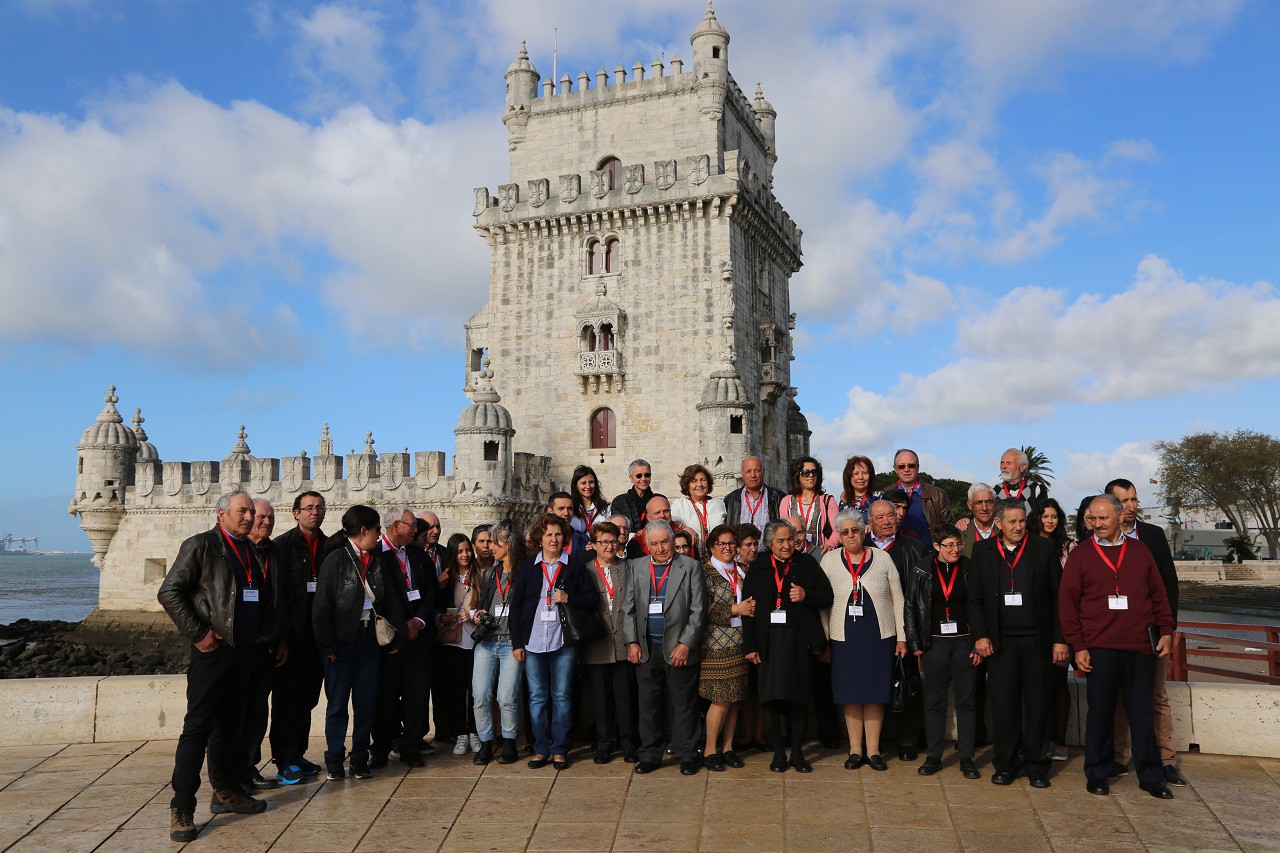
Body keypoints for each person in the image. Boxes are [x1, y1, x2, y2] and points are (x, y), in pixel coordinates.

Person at [159, 490, 275, 842]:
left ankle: (224, 792)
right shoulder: (201, 545)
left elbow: (255, 596)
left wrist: (261, 634)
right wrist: (198, 634)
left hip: (243, 653)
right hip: (212, 652)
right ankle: (182, 807)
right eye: (242, 511)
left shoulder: (249, 550)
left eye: (251, 512)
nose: (249, 518)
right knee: (197, 730)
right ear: (221, 513)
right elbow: (170, 592)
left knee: (230, 726)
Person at [1060, 494, 1175, 799]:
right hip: (1099, 648)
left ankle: (1151, 776)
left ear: (1120, 515)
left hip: (1140, 646)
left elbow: (1159, 595)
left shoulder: (1140, 550)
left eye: (1103, 518)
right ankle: (1097, 773)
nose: (1096, 524)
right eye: (1091, 519)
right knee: (1100, 713)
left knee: (1141, 713)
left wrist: (1166, 631)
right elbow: (1067, 605)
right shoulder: (1081, 554)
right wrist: (1078, 646)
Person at [968, 498, 1066, 789]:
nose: (1018, 527)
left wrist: (1060, 639)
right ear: (998, 523)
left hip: (1038, 641)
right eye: (1012, 521)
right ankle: (1007, 764)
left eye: (1022, 520)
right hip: (1000, 644)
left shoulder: (1044, 548)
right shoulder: (983, 551)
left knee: (1038, 704)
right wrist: (980, 636)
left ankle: (1037, 766)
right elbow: (975, 599)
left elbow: (1059, 598)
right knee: (1004, 705)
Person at [314, 504, 403, 782]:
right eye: (377, 530)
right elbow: (322, 607)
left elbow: (390, 601)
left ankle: (360, 757)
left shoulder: (376, 560)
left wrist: (395, 636)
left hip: (368, 640)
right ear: (363, 530)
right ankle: (334, 758)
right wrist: (327, 646)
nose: (379, 535)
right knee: (338, 703)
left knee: (366, 703)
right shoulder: (336, 560)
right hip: (342, 641)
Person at [1106, 478, 1185, 787]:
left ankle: (1165, 761)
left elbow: (1169, 584)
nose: (1130, 506)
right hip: (1114, 634)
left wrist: (1169, 629)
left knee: (1156, 697)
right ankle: (1118, 758)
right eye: (1123, 500)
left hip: (1152, 633)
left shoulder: (1152, 535)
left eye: (1134, 500)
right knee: (1119, 700)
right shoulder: (1097, 537)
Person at [742, 520, 834, 773]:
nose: (786, 545)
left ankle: (798, 753)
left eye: (790, 539)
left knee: (798, 699)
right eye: (780, 541)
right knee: (771, 699)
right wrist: (750, 645)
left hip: (798, 641)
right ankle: (779, 754)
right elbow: (748, 609)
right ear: (769, 544)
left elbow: (827, 596)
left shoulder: (807, 563)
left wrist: (807, 596)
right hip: (768, 642)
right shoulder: (759, 567)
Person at [509, 514, 599, 770]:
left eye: (558, 534)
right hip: (534, 641)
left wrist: (569, 597)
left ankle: (559, 749)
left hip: (563, 642)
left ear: (565, 538)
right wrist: (518, 643)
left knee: (562, 697)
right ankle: (540, 749)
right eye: (548, 534)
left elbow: (592, 599)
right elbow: (515, 607)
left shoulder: (574, 565)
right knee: (537, 698)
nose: (553, 539)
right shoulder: (529, 567)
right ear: (540, 538)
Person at [821, 509, 905, 772]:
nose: (850, 536)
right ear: (839, 535)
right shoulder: (829, 561)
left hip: (878, 636)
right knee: (851, 694)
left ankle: (874, 750)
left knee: (874, 694)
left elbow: (898, 600)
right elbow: (823, 605)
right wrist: (825, 640)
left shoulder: (882, 558)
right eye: (844, 532)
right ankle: (855, 750)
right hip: (844, 637)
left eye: (854, 530)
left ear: (864, 530)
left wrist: (901, 638)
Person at [621, 519, 706, 775]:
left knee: (684, 704)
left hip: (678, 649)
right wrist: (632, 641)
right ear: (646, 546)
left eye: (664, 542)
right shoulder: (635, 567)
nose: (660, 548)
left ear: (672, 540)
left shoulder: (690, 566)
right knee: (649, 705)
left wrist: (685, 644)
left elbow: (698, 611)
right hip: (647, 648)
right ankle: (649, 754)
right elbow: (628, 608)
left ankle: (687, 754)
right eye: (654, 543)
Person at [904, 524, 981, 779]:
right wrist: (915, 645)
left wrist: (979, 641)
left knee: (967, 701)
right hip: (933, 642)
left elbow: (980, 605)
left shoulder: (969, 567)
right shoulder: (922, 568)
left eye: (958, 544)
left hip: (964, 641)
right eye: (949, 545)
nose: (955, 549)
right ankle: (934, 756)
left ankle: (967, 757)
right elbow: (911, 607)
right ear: (936, 546)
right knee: (934, 702)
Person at [270, 491, 329, 784]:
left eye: (319, 508)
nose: (314, 512)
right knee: (286, 700)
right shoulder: (281, 547)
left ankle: (298, 753)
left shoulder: (330, 546)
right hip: (291, 638)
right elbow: (277, 596)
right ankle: (284, 759)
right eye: (308, 508)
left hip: (317, 637)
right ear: (296, 513)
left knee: (307, 698)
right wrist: (279, 638)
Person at [371, 506, 435, 769]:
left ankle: (410, 746)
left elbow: (431, 594)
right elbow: (377, 599)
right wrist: (401, 625)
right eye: (411, 525)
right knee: (385, 696)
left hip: (417, 637)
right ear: (396, 525)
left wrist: (418, 621)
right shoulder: (375, 556)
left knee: (416, 694)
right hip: (389, 639)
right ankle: (381, 748)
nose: (417, 530)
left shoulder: (419, 556)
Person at [866, 498, 928, 760]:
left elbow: (923, 594)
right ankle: (873, 742)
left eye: (890, 515)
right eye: (879, 517)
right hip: (870, 629)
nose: (886, 521)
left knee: (908, 682)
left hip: (906, 627)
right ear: (869, 522)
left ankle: (907, 739)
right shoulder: (861, 548)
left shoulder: (915, 548)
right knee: (873, 684)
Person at [579, 520, 639, 764]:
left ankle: (628, 744)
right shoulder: (585, 570)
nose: (609, 546)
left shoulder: (629, 567)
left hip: (624, 640)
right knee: (601, 699)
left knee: (624, 696)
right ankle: (603, 744)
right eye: (603, 541)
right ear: (593, 544)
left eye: (613, 540)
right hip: (597, 642)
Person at [240, 500, 287, 791]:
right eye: (260, 516)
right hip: (237, 644)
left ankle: (250, 767)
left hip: (267, 645)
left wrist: (280, 638)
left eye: (270, 517)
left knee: (258, 711)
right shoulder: (233, 551)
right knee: (236, 712)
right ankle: (232, 774)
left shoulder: (276, 552)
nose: (265, 521)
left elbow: (283, 601)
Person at [470, 520, 525, 766]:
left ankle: (509, 741)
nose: (491, 547)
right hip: (488, 640)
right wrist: (480, 614)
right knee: (480, 694)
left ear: (509, 545)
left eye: (496, 543)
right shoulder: (490, 573)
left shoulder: (525, 571)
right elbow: (484, 603)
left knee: (506, 696)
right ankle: (485, 742)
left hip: (511, 641)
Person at [700, 524, 753, 771]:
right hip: (715, 644)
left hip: (741, 641)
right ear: (712, 547)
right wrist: (734, 609)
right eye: (721, 543)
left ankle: (729, 747)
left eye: (731, 543)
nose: (727, 547)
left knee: (735, 697)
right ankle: (711, 749)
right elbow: (702, 609)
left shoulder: (743, 570)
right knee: (720, 698)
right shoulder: (704, 572)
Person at [1031, 497, 1073, 762]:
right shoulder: (1029, 545)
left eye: (1054, 516)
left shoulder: (1069, 548)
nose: (1049, 521)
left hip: (1061, 622)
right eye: (1045, 516)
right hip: (1035, 625)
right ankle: (1039, 739)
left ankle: (1059, 741)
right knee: (1036, 685)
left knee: (1059, 683)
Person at [438, 533, 480, 755]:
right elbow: (437, 605)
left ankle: (475, 732)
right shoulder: (446, 577)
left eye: (467, 550)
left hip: (475, 640)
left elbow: (485, 606)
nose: (465, 555)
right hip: (452, 641)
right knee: (455, 690)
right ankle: (460, 734)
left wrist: (471, 613)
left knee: (476, 690)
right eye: (460, 551)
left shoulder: (480, 574)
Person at [778, 456, 840, 555]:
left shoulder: (828, 500)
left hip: (819, 554)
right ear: (797, 476)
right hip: (793, 555)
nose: (811, 475)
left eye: (814, 472)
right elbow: (782, 531)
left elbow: (838, 529)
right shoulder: (786, 501)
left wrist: (830, 544)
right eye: (806, 472)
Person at [891, 448, 953, 542]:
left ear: (918, 467)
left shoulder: (938, 495)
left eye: (911, 465)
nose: (906, 469)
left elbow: (948, 529)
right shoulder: (885, 493)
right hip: (896, 553)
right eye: (901, 466)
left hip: (928, 553)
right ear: (895, 469)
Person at [670, 463, 727, 555]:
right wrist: (685, 529)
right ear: (687, 485)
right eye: (694, 481)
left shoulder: (719, 504)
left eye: (703, 480)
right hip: (692, 556)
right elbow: (671, 524)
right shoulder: (679, 505)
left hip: (718, 557)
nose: (699, 484)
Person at [724, 456, 784, 528]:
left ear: (763, 472)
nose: (753, 475)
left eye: (757, 471)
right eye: (748, 471)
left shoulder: (778, 497)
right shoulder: (731, 500)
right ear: (742, 474)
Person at [569, 466, 608, 554]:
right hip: (576, 554)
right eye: (583, 483)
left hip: (599, 553)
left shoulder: (605, 508)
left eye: (591, 482)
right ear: (576, 485)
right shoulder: (570, 508)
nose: (588, 486)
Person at [610, 459, 654, 531]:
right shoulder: (619, 502)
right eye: (639, 476)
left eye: (647, 475)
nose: (643, 479)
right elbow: (616, 528)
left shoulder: (658, 500)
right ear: (631, 478)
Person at [957, 483, 998, 559]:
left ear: (995, 503)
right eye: (979, 502)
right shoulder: (959, 533)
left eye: (989, 502)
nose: (984, 508)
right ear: (970, 505)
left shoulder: (1005, 530)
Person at [838, 455, 881, 524]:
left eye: (865, 473)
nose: (860, 477)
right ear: (849, 477)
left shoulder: (879, 498)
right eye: (856, 473)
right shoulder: (844, 502)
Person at [547, 491, 587, 556]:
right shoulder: (538, 538)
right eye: (561, 508)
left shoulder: (583, 540)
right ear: (550, 511)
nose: (566, 513)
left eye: (570, 509)